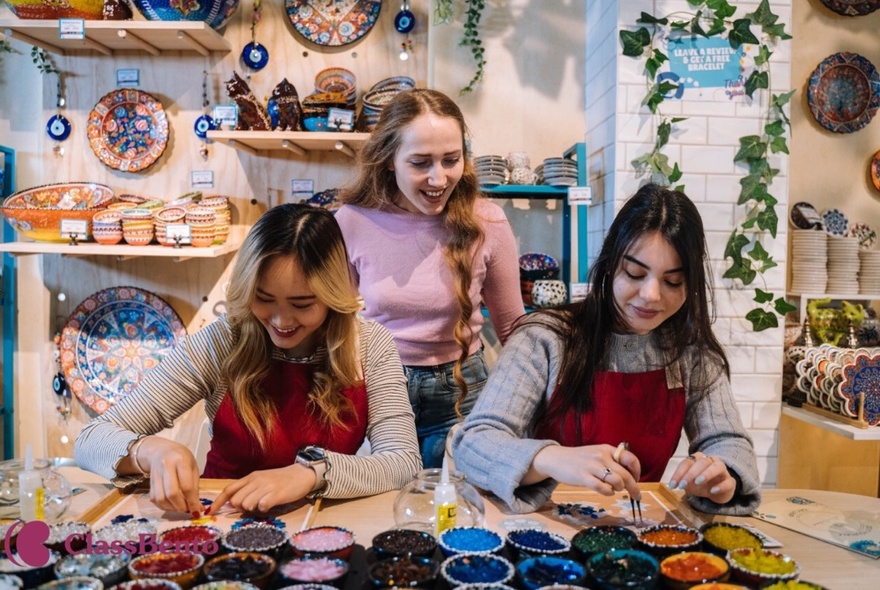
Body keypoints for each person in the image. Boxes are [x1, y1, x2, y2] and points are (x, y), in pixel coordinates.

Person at [75, 203, 422, 515]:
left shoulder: (370, 344)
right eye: (263, 298)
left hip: (322, 522)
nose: (281, 321)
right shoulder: (221, 341)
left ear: (333, 295)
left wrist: (312, 472)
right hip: (222, 517)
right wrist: (147, 451)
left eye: (302, 304)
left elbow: (403, 462)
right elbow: (90, 440)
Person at [452, 184, 761, 515]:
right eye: (635, 273)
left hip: (642, 531)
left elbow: (730, 443)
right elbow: (474, 443)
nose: (651, 295)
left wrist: (723, 475)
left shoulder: (691, 353)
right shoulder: (545, 338)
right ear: (610, 264)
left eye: (673, 282)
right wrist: (553, 458)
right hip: (546, 531)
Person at [335, 88, 525, 468]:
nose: (439, 178)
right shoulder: (352, 221)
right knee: (388, 507)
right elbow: (331, 318)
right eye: (421, 162)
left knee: (457, 509)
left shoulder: (487, 221)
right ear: (389, 160)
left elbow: (513, 329)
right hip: (378, 386)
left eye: (451, 160)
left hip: (464, 388)